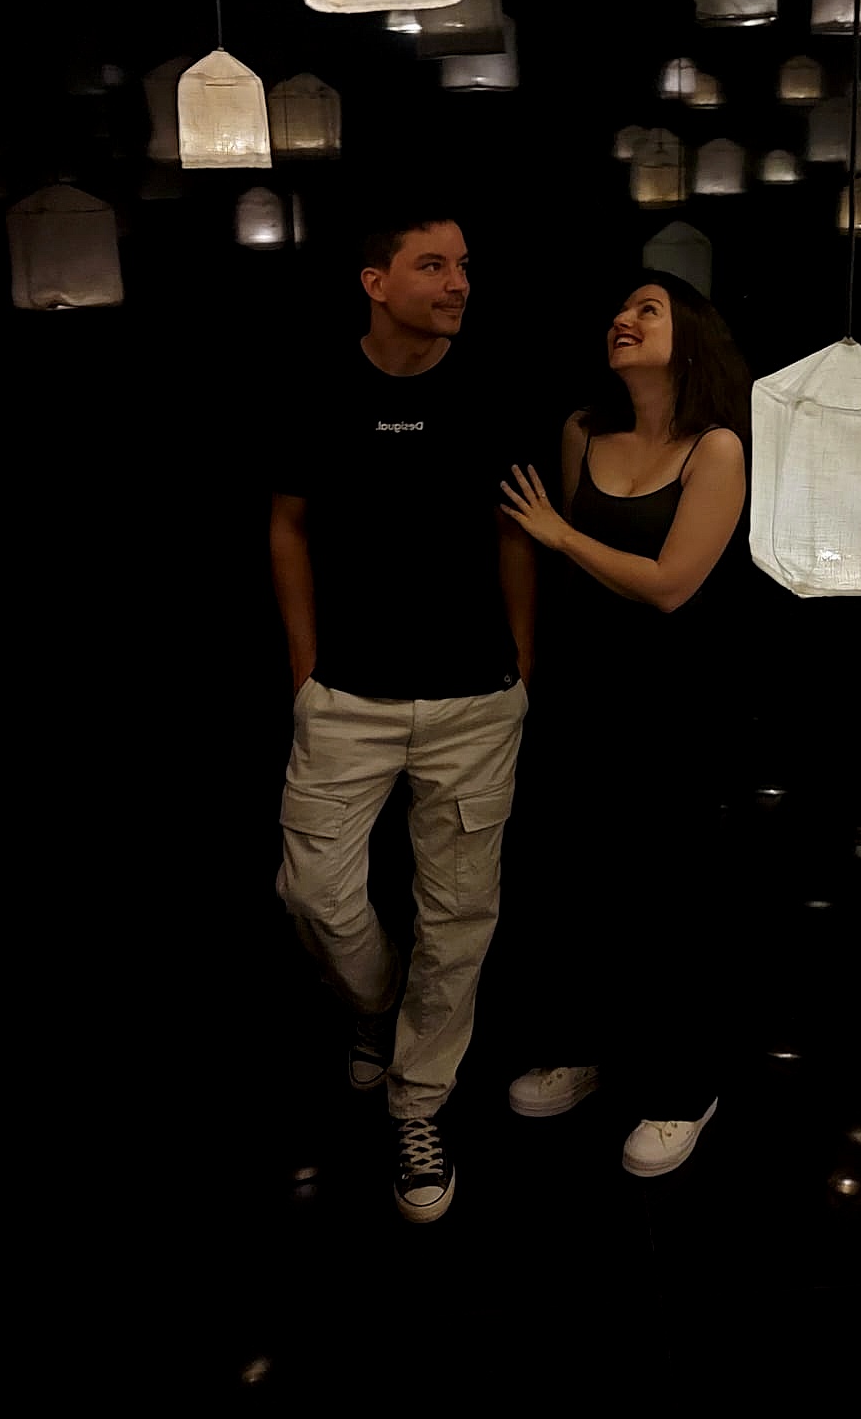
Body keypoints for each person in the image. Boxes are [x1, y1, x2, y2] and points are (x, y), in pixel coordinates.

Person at [268, 211, 535, 1223]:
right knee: (314, 894)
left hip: (474, 700)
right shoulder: (316, 385)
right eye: (434, 265)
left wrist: (521, 661)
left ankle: (418, 1102)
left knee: (458, 916)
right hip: (347, 697)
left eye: (464, 265)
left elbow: (514, 530)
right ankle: (377, 1008)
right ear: (375, 281)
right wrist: (305, 666)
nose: (459, 282)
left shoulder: (492, 388)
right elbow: (288, 525)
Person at [497, 269, 749, 1178]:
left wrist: (560, 533)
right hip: (583, 694)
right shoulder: (583, 433)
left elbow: (671, 585)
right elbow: (574, 583)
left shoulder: (715, 448)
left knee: (669, 896)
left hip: (673, 706)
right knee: (574, 877)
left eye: (649, 310)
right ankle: (581, 1048)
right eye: (621, 309)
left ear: (693, 339)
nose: (624, 319)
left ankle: (685, 1088)